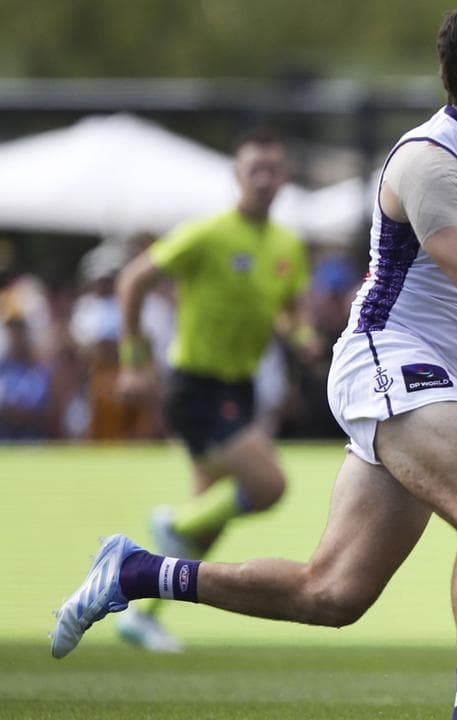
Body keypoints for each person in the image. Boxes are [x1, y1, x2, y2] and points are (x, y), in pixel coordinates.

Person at [50, 3, 457, 719]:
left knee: (333, 594)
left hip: (434, 379)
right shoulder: (428, 163)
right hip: (387, 359)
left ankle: (138, 571)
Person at [103, 126, 312, 652]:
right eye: (253, 170)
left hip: (239, 387)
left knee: (209, 524)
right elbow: (132, 281)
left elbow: (290, 311)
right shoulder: (208, 234)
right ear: (237, 177)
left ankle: (141, 611)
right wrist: (132, 362)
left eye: (272, 170)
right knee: (268, 486)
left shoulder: (287, 246)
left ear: (284, 178)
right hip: (196, 385)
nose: (263, 180)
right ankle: (167, 525)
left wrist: (303, 338)